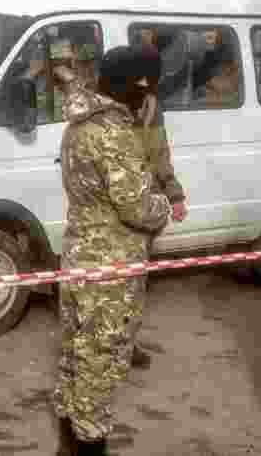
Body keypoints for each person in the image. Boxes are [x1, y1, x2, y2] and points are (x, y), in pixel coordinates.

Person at [53, 44, 172, 456]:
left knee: (74, 349)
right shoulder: (115, 132)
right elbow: (135, 205)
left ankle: (67, 440)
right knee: (101, 357)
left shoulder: (80, 121)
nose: (150, 94)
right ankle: (90, 444)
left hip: (77, 251)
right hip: (111, 262)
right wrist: (164, 207)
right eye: (148, 85)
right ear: (137, 83)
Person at [123, 42, 188, 368]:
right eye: (139, 78)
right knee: (102, 288)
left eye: (150, 79)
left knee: (135, 283)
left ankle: (127, 343)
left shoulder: (151, 107)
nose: (145, 86)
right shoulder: (105, 109)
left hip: (142, 212)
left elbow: (160, 156)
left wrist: (174, 195)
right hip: (111, 214)